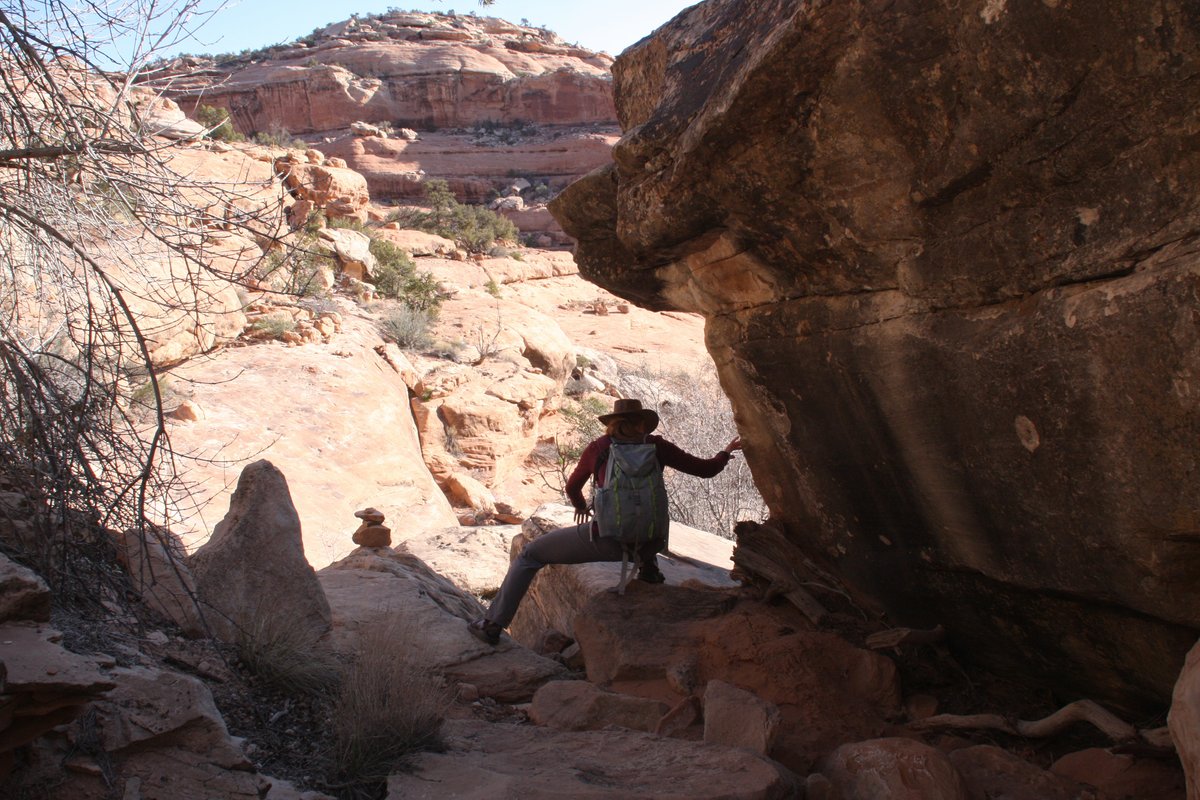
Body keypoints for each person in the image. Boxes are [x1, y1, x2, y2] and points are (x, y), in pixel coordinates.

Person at [469, 398, 742, 646]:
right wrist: (725, 452)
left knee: (531, 554)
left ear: (612, 423)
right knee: (641, 513)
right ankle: (648, 569)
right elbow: (705, 470)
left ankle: (492, 625)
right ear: (641, 423)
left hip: (609, 541)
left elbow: (573, 487)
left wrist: (581, 506)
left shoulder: (599, 448)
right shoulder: (657, 446)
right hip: (652, 542)